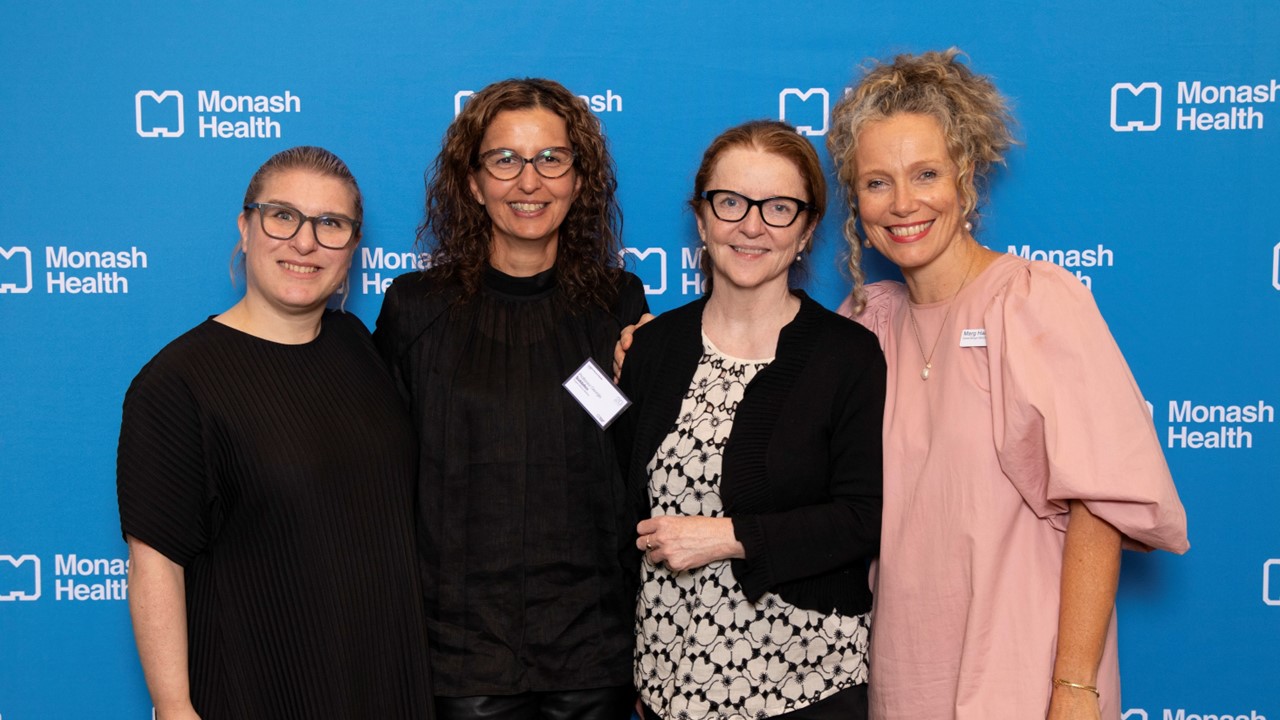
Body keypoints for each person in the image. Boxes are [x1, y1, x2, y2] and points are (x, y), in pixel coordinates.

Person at [825, 49, 1190, 719]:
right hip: (902, 680)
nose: (903, 203)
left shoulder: (1032, 302)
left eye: (925, 173)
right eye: (877, 182)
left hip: (1026, 675)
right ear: (855, 199)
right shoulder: (863, 324)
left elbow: (1101, 503)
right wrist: (650, 349)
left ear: (965, 176)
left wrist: (1074, 689)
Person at [116, 146, 433, 719]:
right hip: (262, 689)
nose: (305, 242)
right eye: (282, 216)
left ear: (353, 246)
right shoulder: (177, 382)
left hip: (385, 681)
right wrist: (173, 706)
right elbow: (154, 563)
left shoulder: (355, 346)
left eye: (330, 224)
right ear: (245, 226)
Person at [374, 78, 648, 720]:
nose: (530, 182)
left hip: (594, 649)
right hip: (459, 658)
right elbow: (380, 478)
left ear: (579, 180)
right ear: (473, 182)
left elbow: (637, 466)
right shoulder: (416, 310)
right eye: (505, 160)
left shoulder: (619, 304)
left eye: (551, 159)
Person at [615, 120, 886, 720]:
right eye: (731, 202)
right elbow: (617, 510)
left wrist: (728, 536)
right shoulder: (652, 348)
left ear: (809, 227)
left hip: (805, 687)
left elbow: (867, 517)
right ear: (702, 216)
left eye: (779, 207)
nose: (752, 225)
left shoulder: (848, 355)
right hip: (667, 687)